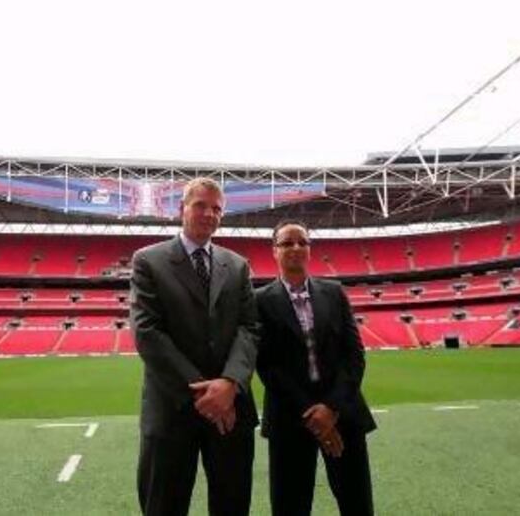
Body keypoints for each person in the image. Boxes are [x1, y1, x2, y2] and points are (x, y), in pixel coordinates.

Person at [130, 177, 260, 516]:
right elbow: (147, 332)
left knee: (232, 506)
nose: (209, 213)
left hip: (231, 412)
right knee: (164, 507)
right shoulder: (148, 261)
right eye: (200, 205)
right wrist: (206, 393)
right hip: (172, 410)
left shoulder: (237, 265)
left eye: (217, 208)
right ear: (181, 209)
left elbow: (249, 328)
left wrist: (230, 383)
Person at [256, 219, 376, 516]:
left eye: (302, 242)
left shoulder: (334, 293)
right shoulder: (259, 301)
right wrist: (313, 414)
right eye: (287, 243)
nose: (295, 247)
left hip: (344, 415)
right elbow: (267, 365)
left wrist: (331, 408)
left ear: (310, 250)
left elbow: (355, 355)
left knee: (357, 502)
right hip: (289, 418)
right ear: (274, 251)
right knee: (289, 506)